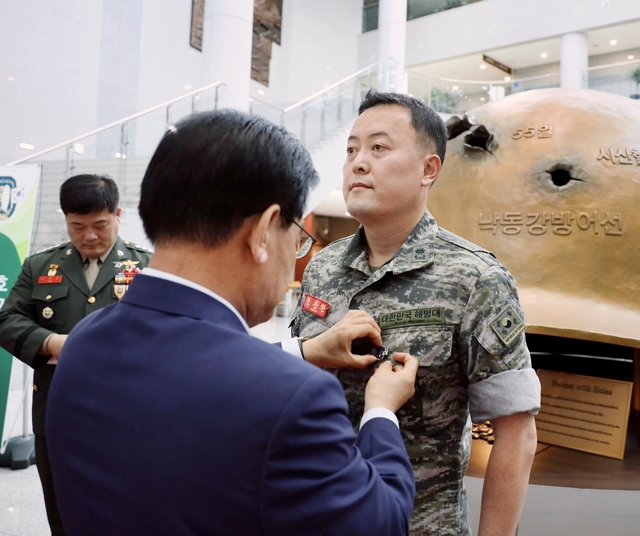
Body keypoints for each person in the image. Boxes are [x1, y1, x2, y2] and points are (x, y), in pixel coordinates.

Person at [46, 109, 420, 535]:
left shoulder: (83, 343)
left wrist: (306, 351)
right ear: (262, 232)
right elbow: (381, 524)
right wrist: (380, 413)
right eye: (296, 237)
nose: (293, 257)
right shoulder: (292, 398)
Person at [290, 91, 541, 536]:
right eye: (351, 150)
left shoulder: (475, 277)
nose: (358, 163)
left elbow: (516, 433)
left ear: (429, 169)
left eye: (379, 148)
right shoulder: (323, 269)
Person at [0, 174, 151, 535]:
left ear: (117, 214)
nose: (89, 236)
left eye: (99, 224)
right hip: (57, 411)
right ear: (65, 219)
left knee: (127, 510)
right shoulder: (40, 267)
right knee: (63, 510)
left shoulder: (149, 267)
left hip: (130, 413)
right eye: (77, 226)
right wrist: (51, 343)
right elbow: (7, 320)